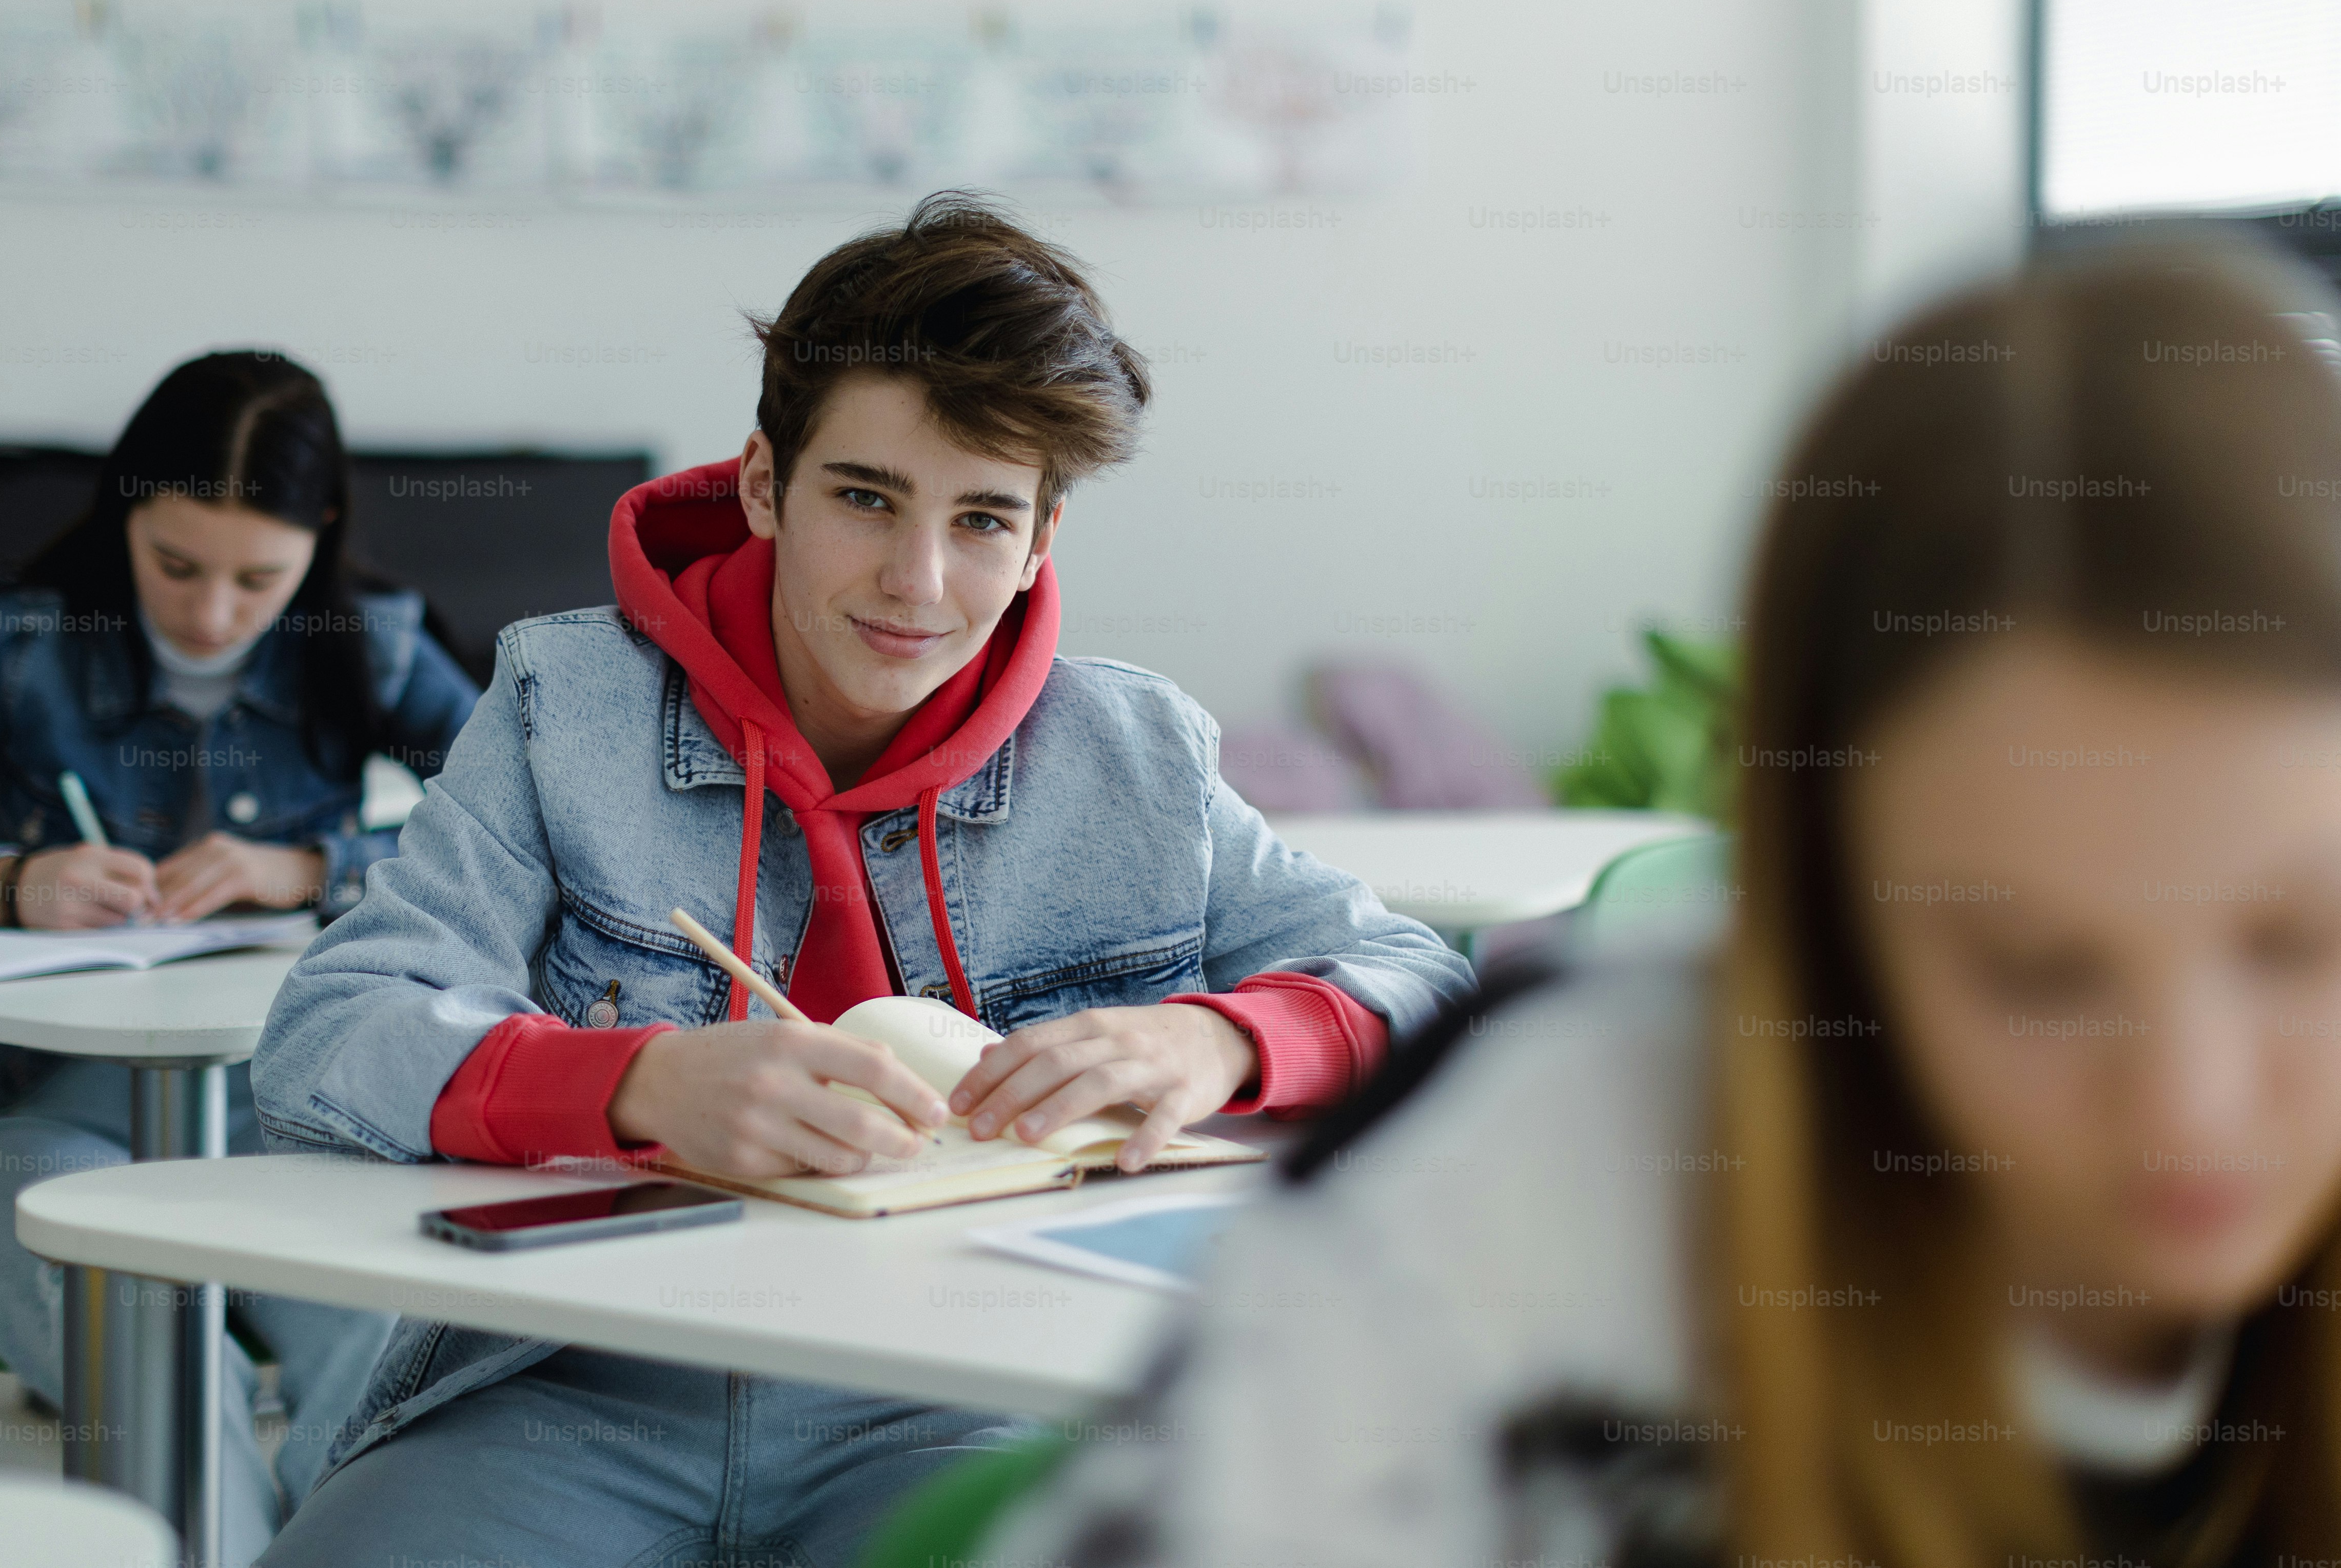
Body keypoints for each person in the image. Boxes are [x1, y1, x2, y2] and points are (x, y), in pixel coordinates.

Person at [988, 232, 2341, 1567]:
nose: (2187, 1105)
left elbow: (1369, 957)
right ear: (1825, 924)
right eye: (2037, 968)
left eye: (2302, 942)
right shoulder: (1535, 1177)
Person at [250, 192, 1471, 1568]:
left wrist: (1216, 1034)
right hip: (578, 1380)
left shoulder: (1137, 754)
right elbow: (326, 1037)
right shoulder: (561, 704)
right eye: (864, 497)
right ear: (766, 482)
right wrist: (640, 1084)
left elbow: (1426, 984)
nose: (917, 580)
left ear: (1042, 539)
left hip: (963, 1397)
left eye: (983, 520)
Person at [0, 351, 480, 1559]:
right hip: (26, 1119)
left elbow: (523, 828)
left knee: (383, 1367)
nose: (210, 613)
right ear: (126, 512)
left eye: (259, 577)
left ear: (323, 532)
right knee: (162, 1381)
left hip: (278, 1105)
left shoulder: (376, 644)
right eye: (176, 564)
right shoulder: (14, 643)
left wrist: (318, 865)